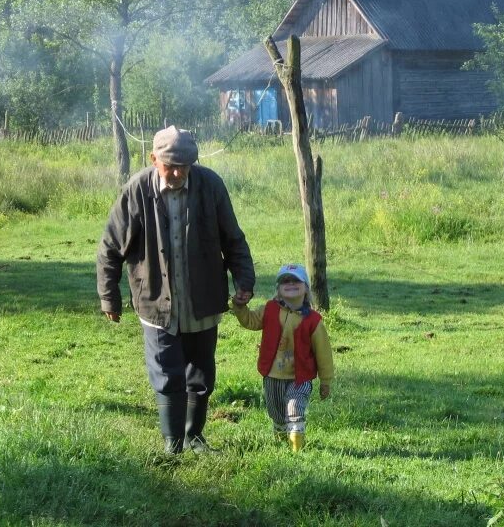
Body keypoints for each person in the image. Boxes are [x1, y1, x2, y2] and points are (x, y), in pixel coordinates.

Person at [97, 126, 255, 454]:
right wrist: (108, 295)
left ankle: (195, 436)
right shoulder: (138, 189)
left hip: (202, 299)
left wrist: (245, 281)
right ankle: (173, 444)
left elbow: (233, 238)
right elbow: (111, 246)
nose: (178, 172)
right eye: (170, 165)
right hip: (155, 299)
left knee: (201, 372)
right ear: (154, 159)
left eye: (185, 165)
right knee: (167, 373)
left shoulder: (210, 185)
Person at [231, 263, 334, 452]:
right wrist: (239, 307)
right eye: (285, 281)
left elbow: (324, 352)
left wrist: (325, 380)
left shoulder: (313, 320)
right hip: (272, 375)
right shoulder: (269, 309)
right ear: (278, 289)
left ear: (306, 288)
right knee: (277, 414)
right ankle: (280, 441)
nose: (291, 283)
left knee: (294, 409)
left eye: (296, 281)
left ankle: (297, 452)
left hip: (300, 377)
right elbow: (250, 321)